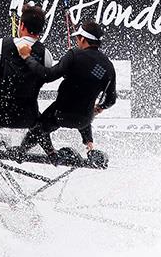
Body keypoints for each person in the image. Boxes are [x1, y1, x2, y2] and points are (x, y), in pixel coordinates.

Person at [18, 20, 116, 164]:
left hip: (60, 115)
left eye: (78, 39)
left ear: (83, 39)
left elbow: (48, 75)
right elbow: (111, 100)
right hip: (84, 119)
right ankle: (90, 147)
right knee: (85, 105)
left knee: (39, 127)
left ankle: (23, 151)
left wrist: (27, 58)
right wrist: (100, 108)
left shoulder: (74, 54)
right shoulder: (108, 66)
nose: (77, 42)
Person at [0, 5, 54, 145]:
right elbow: (43, 79)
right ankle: (39, 152)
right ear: (40, 29)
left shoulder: (1, 45)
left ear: (21, 25)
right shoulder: (46, 55)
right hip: (27, 118)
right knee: (41, 120)